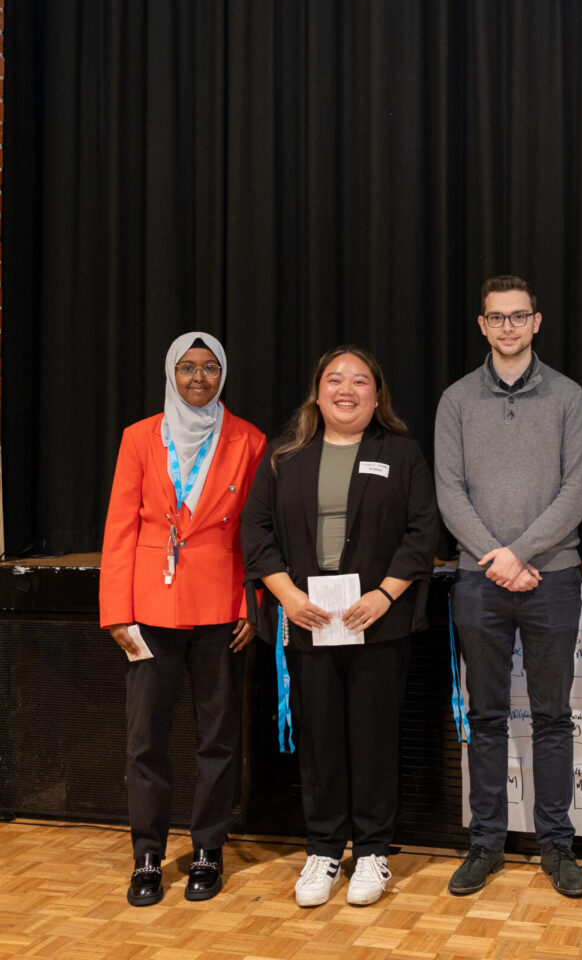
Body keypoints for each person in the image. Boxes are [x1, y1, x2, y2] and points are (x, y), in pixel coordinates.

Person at [241, 346, 438, 908]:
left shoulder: (400, 453)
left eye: (359, 381)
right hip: (309, 622)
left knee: (374, 739)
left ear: (377, 396)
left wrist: (384, 595)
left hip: (379, 622)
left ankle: (373, 850)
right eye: (335, 379)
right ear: (318, 390)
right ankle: (324, 850)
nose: (346, 389)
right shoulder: (285, 454)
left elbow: (423, 532)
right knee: (321, 741)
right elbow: (255, 532)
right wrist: (287, 598)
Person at [435, 275, 582, 898]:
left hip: (551, 577)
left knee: (554, 718)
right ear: (482, 325)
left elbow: (577, 489)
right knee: (487, 716)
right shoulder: (455, 401)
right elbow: (450, 492)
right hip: (479, 581)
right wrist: (495, 558)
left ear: (536, 322)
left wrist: (520, 554)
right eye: (496, 317)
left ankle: (556, 846)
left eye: (517, 316)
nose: (507, 326)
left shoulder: (568, 397)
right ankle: (486, 845)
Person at [100, 332, 266, 906]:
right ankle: (147, 855)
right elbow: (120, 527)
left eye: (210, 368)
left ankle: (207, 850)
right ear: (172, 373)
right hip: (148, 610)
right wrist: (116, 611)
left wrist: (253, 601)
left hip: (222, 608)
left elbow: (257, 530)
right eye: (188, 368)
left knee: (218, 738)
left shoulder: (249, 439)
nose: (199, 378)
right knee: (145, 739)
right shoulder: (139, 437)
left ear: (224, 375)